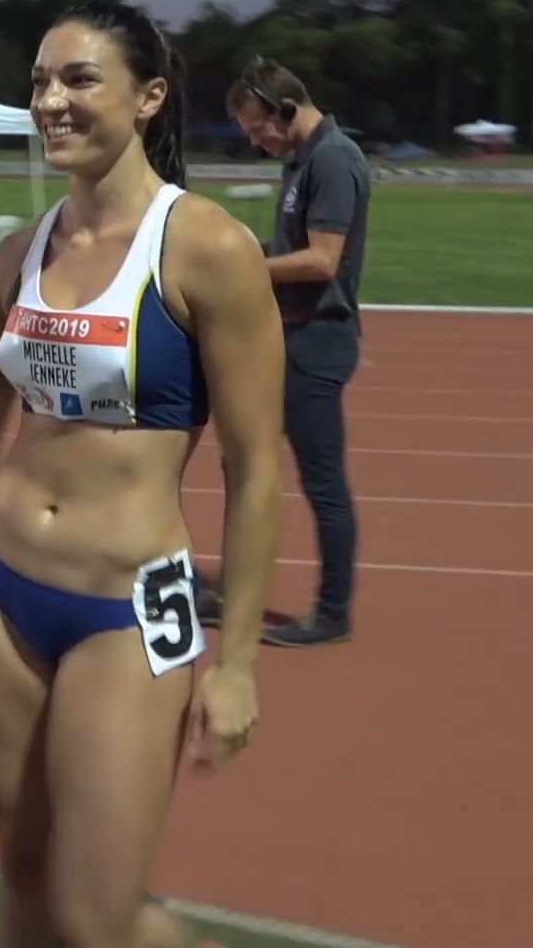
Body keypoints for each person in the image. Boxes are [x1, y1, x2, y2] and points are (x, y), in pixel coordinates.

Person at [0, 0, 286, 948]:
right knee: (21, 863)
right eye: (39, 83)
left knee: (96, 917)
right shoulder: (18, 256)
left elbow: (257, 471)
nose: (50, 101)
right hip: (6, 592)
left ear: (148, 97)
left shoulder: (208, 249)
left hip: (128, 610)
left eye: (78, 79)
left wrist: (238, 663)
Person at [199, 55, 371, 649]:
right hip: (284, 337)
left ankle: (333, 610)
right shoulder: (301, 161)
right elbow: (294, 245)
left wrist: (246, 268)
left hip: (317, 341)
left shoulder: (334, 160)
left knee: (323, 483)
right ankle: (232, 590)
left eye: (258, 129)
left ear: (287, 109)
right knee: (244, 464)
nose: (256, 142)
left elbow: (322, 260)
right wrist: (245, 248)